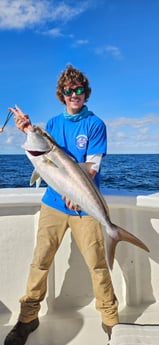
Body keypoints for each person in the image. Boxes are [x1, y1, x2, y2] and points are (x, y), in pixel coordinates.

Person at [4, 64, 119, 345]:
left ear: (85, 92)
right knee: (40, 262)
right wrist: (27, 129)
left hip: (85, 209)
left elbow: (91, 166)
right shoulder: (53, 124)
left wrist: (75, 191)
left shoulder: (95, 124)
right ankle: (28, 317)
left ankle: (111, 322)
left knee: (97, 265)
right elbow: (44, 151)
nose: (74, 94)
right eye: (68, 90)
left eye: (78, 89)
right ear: (62, 94)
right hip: (53, 206)